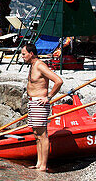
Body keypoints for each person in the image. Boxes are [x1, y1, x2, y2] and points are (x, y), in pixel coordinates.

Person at [21, 42, 64, 172]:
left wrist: (49, 97)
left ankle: (44, 165)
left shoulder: (40, 65)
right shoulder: (32, 65)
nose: (22, 56)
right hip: (32, 103)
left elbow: (58, 81)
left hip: (40, 103)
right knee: (36, 134)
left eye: (24, 54)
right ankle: (39, 163)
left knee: (42, 134)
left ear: (31, 53)